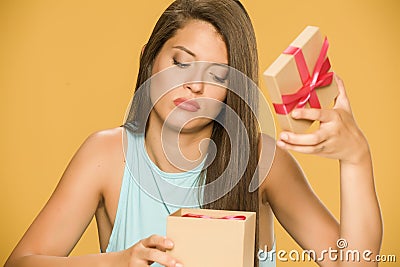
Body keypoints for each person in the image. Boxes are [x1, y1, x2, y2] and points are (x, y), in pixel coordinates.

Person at [5, 0, 382, 267]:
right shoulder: (105, 156)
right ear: (150, 57)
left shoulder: (262, 163)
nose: (195, 86)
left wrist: (356, 160)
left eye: (217, 76)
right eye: (181, 63)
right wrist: (118, 262)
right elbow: (21, 262)